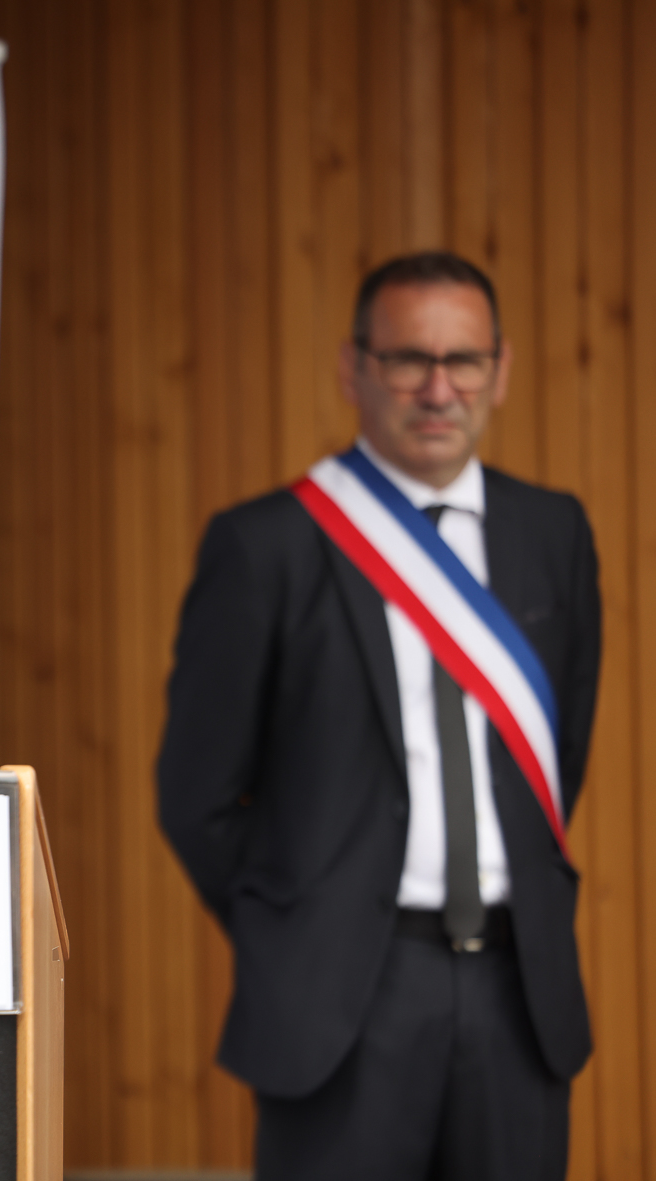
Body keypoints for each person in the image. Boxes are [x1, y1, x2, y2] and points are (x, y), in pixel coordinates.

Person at [158, 251, 599, 1179]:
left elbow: (558, 753)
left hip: (519, 994)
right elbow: (193, 794)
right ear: (352, 368)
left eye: (462, 360)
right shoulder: (265, 544)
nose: (437, 389)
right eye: (407, 359)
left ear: (500, 369)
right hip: (340, 997)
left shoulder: (552, 532)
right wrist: (302, 922)